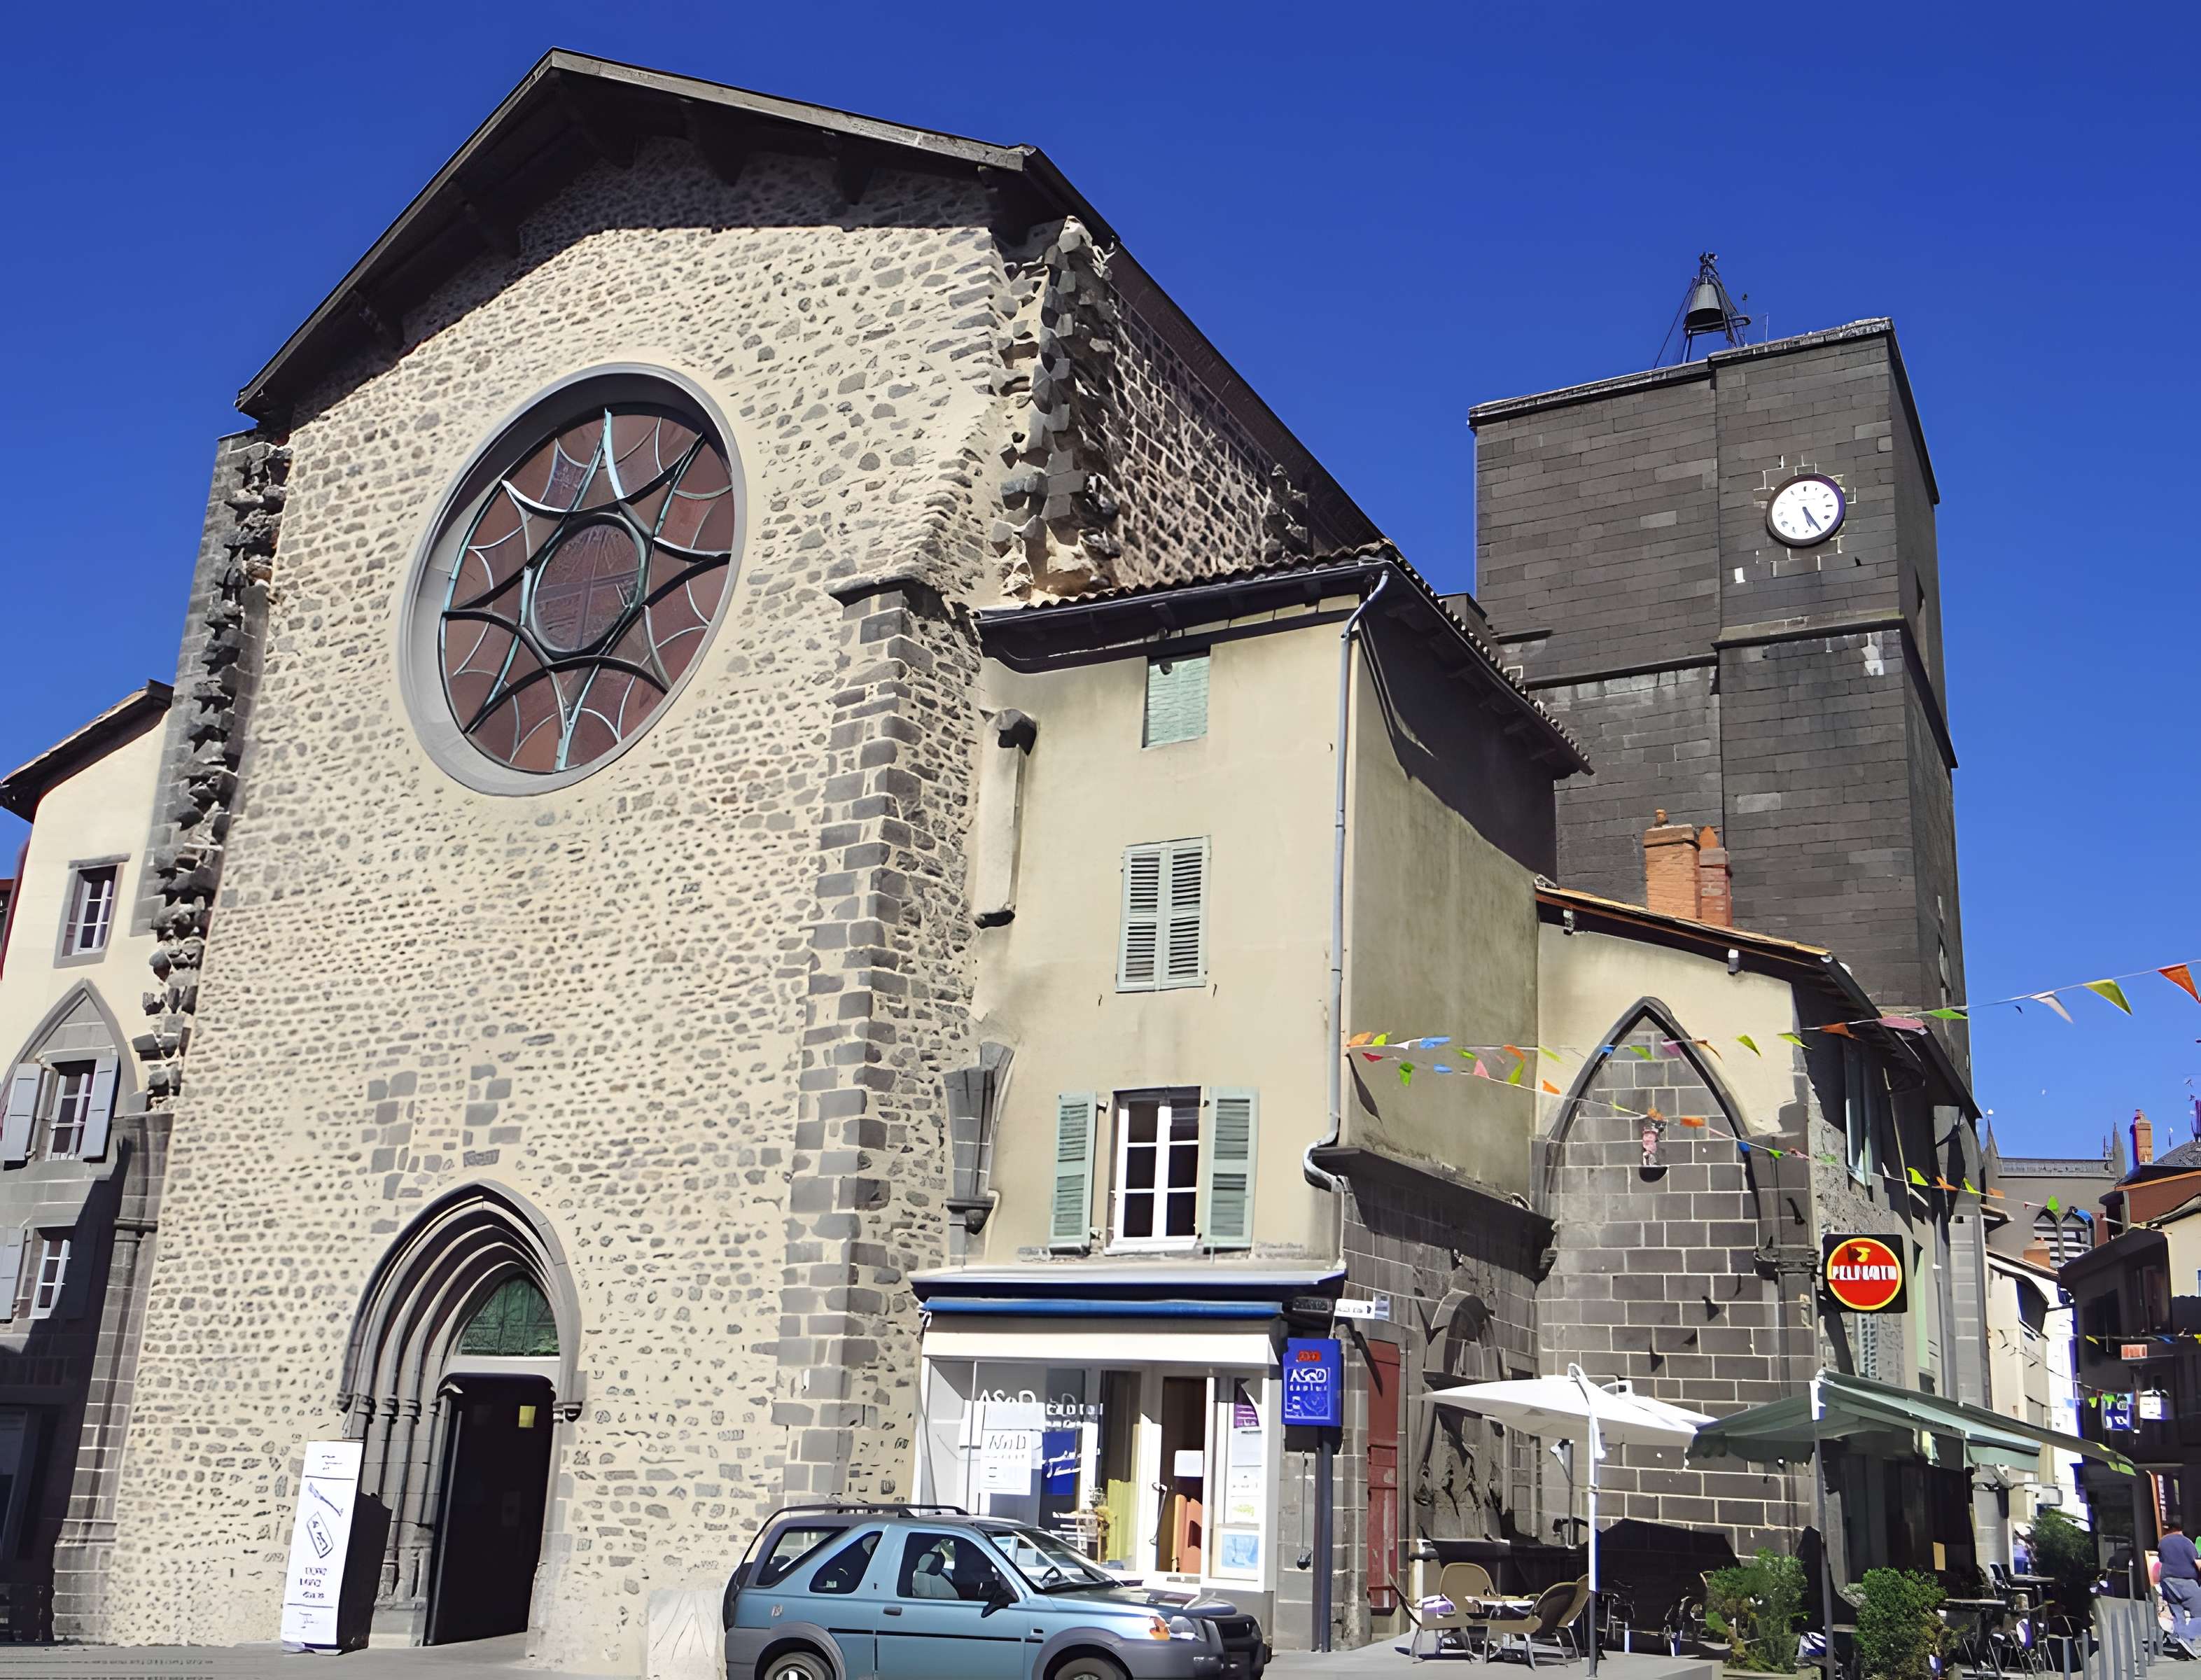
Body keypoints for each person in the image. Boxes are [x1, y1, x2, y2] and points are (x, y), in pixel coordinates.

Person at [2158, 1518, 2201, 1652]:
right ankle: (2191, 1639)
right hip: (2186, 1581)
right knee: (2199, 1613)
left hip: (2167, 1581)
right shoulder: (2187, 1542)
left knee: (2178, 1614)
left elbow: (2161, 1560)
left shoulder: (2162, 1542)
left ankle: (2184, 1642)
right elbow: (2197, 1563)